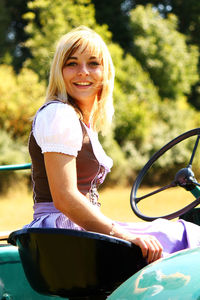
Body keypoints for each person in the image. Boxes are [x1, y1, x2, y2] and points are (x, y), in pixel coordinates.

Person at [25, 25, 200, 264]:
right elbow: (65, 198)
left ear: (105, 71)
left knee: (178, 232)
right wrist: (124, 235)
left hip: (76, 229)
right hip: (62, 234)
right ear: (59, 70)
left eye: (93, 64)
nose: (83, 72)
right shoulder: (59, 115)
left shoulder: (80, 121)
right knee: (186, 236)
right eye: (72, 63)